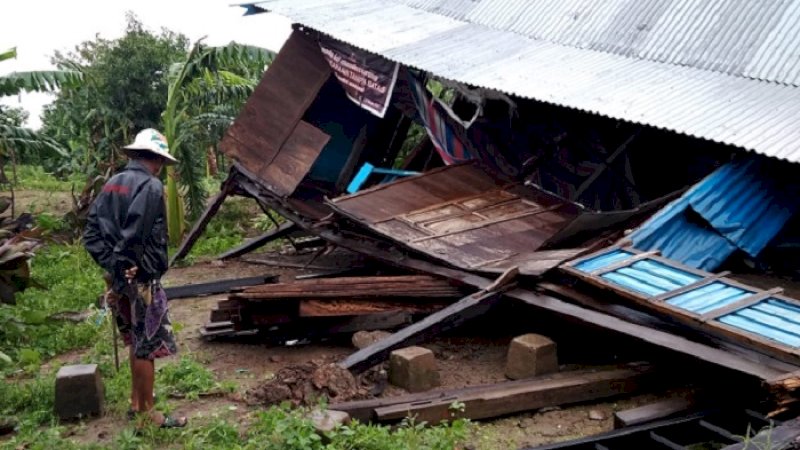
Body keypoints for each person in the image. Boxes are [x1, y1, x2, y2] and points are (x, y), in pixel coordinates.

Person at [84, 129, 187, 428]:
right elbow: (136, 233)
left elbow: (91, 234)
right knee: (147, 345)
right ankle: (148, 414)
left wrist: (113, 268)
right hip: (141, 281)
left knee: (134, 341)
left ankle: (135, 402)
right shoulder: (150, 186)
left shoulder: (112, 184)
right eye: (160, 162)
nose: (160, 168)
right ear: (155, 158)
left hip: (118, 280)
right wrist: (128, 266)